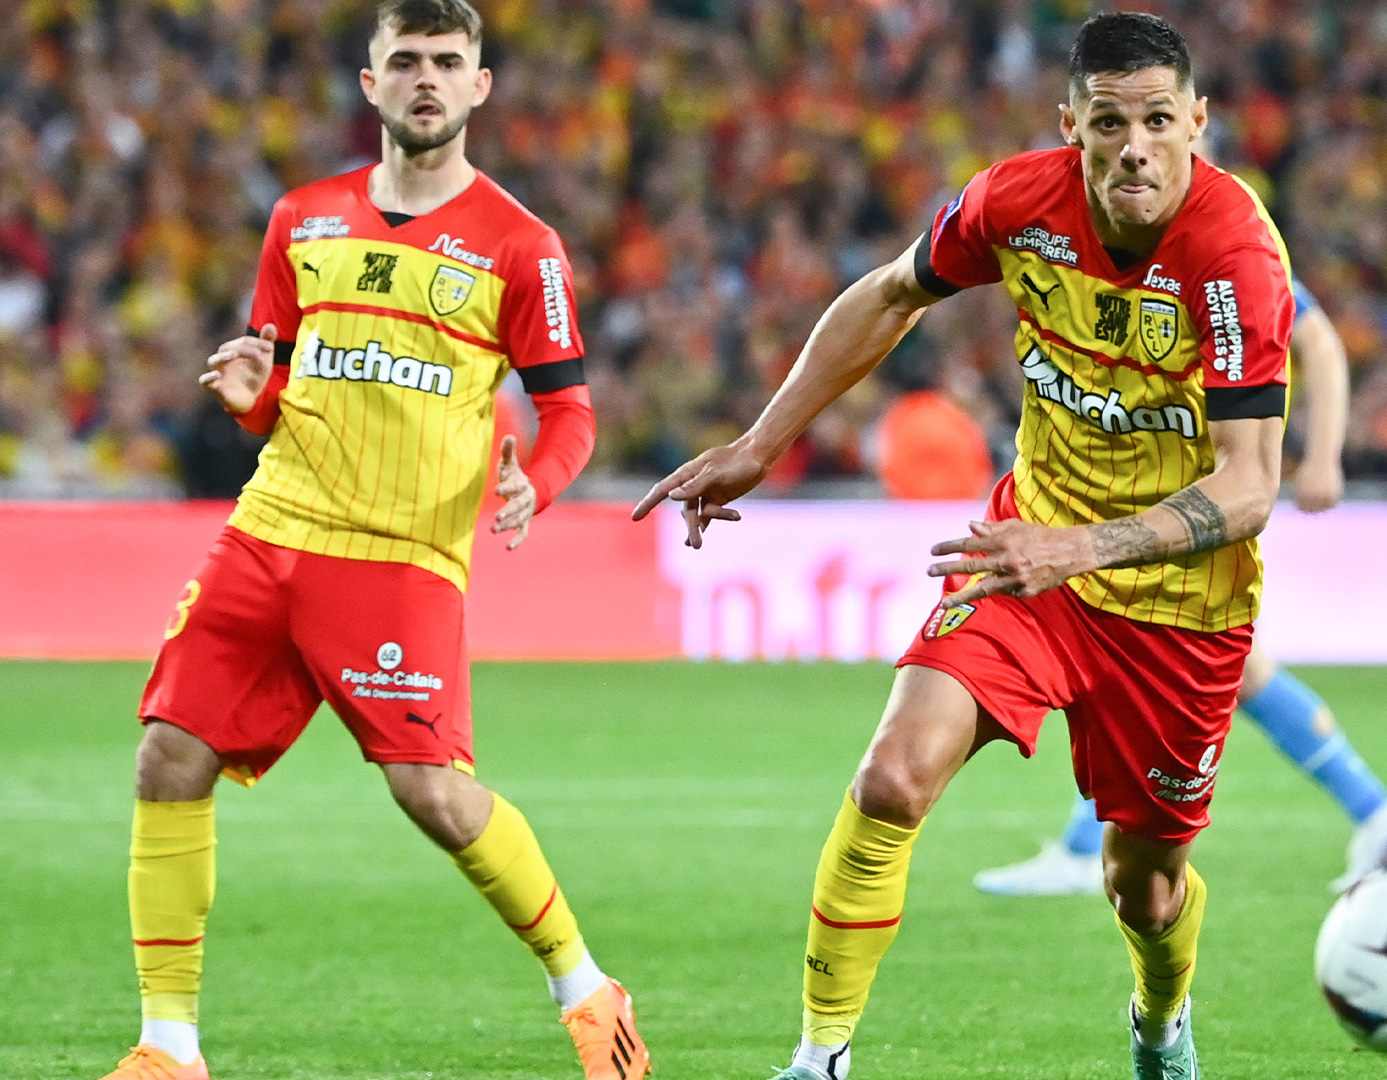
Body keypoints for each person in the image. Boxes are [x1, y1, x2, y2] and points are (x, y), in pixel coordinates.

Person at [638, 14, 1293, 1078]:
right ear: (1070, 126)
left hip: (1179, 605)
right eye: (1110, 122)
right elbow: (894, 295)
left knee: (1146, 884)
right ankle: (818, 1062)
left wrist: (1080, 549)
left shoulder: (1233, 257)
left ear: (1198, 124)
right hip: (1027, 560)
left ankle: (1162, 1024)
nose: (1136, 145)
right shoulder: (1014, 204)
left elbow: (1252, 486)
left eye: (1160, 121)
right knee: (893, 778)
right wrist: (764, 441)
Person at [101, 3, 642, 1078]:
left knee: (433, 793)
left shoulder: (519, 245)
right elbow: (280, 377)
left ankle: (586, 987)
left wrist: (536, 481)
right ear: (370, 81)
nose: (427, 79)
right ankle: (169, 1049)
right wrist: (257, 400)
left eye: (448, 62)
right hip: (271, 527)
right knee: (167, 756)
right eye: (407, 61)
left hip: (400, 556)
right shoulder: (303, 218)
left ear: (480, 87)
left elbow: (571, 410)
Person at [973, 277, 1387, 898]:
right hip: (1155, 492)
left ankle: (1086, 849)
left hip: (1194, 500)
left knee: (1141, 658)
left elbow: (1318, 340)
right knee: (1233, 671)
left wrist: (1323, 456)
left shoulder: (1223, 254)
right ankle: (1376, 812)